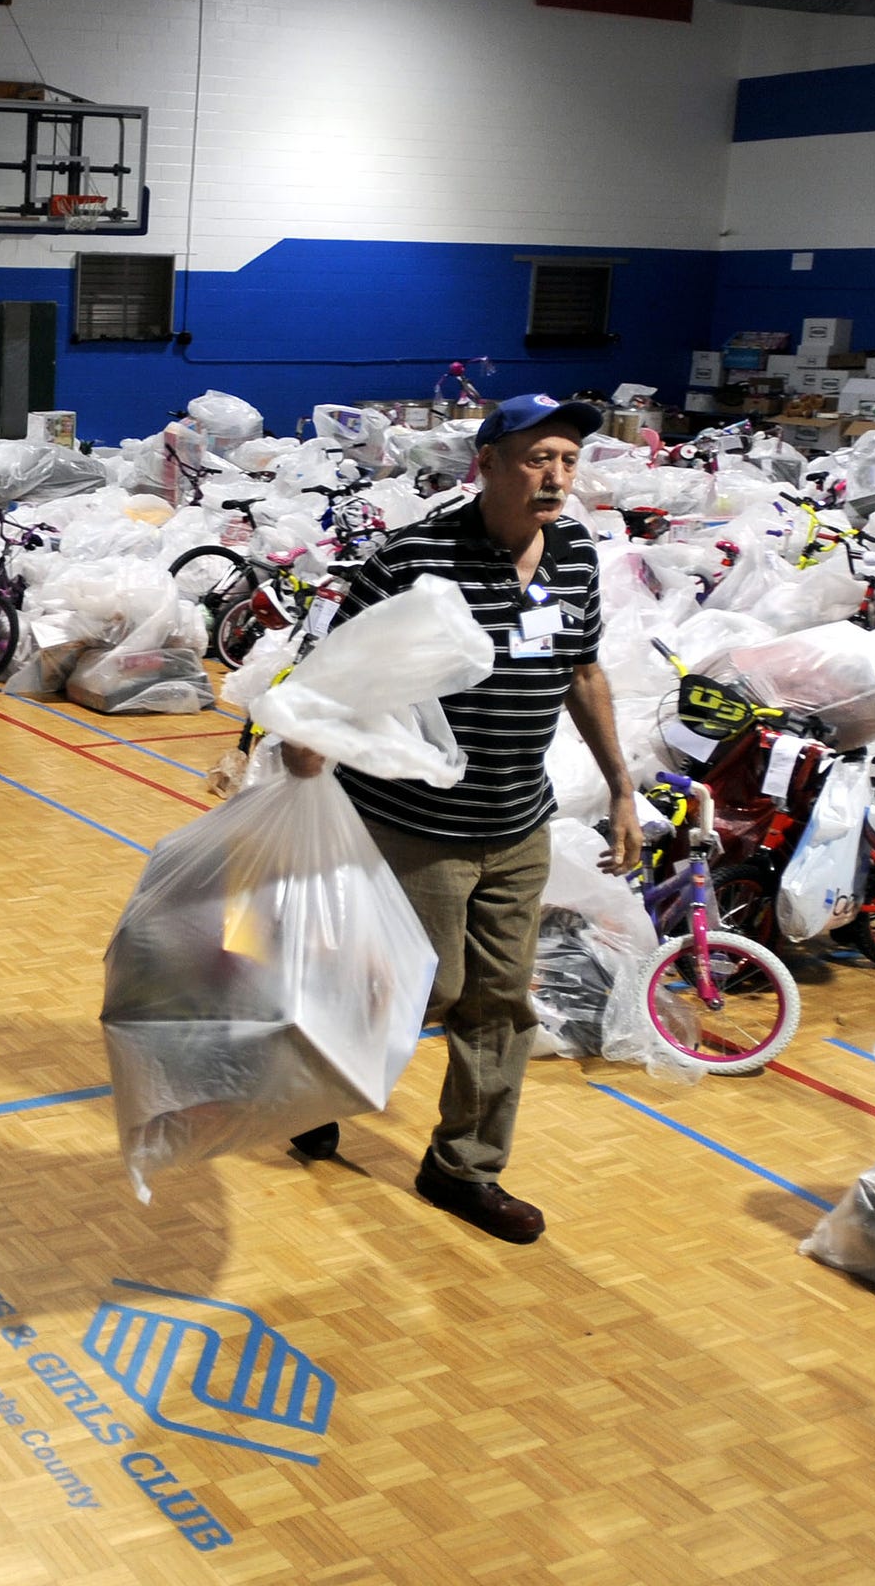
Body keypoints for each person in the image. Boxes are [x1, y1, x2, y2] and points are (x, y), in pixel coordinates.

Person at [278, 393, 643, 1246]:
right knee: (419, 989)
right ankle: (317, 1084)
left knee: (500, 1001)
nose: (555, 477)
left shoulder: (578, 556)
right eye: (535, 458)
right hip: (414, 823)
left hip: (519, 821)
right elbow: (323, 667)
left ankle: (463, 1168)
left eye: (567, 460)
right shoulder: (413, 557)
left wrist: (622, 786)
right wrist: (307, 736)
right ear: (486, 462)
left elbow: (583, 673)